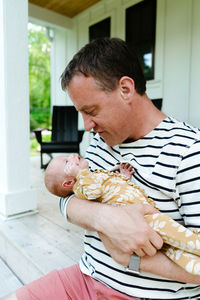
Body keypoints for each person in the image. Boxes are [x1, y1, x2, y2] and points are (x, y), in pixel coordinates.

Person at [3, 37, 200, 299]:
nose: (87, 126)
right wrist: (105, 219)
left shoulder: (189, 151)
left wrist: (131, 259)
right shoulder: (100, 140)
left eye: (91, 110)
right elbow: (69, 198)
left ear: (126, 89)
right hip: (85, 278)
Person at [45, 154, 200, 276]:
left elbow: (112, 189)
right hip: (141, 220)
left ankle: (194, 265)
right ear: (68, 184)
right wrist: (80, 173)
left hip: (144, 217)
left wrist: (123, 177)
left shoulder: (90, 177)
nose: (72, 156)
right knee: (180, 236)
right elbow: (94, 192)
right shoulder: (81, 186)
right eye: (66, 162)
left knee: (173, 247)